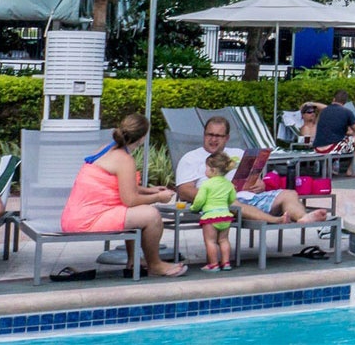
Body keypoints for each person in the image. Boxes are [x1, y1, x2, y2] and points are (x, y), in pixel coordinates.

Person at [59, 114, 187, 277]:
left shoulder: (107, 148)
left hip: (76, 216)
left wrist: (149, 191)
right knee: (151, 216)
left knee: (137, 211)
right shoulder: (124, 159)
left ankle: (134, 261)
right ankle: (155, 264)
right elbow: (130, 200)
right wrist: (158, 198)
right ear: (142, 138)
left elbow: (114, 185)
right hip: (88, 221)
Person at [174, 117, 327, 224]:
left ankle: (303, 217)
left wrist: (260, 185)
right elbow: (184, 191)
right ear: (204, 134)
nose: (213, 139)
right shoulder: (191, 158)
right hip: (218, 204)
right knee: (230, 201)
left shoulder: (238, 153)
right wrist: (216, 194)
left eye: (218, 136)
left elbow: (256, 180)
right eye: (210, 135)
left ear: (226, 138)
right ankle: (274, 220)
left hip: (250, 198)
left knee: (289, 194)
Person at [190, 152, 237, 271]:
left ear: (213, 170)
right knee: (224, 240)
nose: (205, 171)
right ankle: (226, 263)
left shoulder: (206, 184)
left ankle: (214, 264)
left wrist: (194, 208)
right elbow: (232, 199)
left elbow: (199, 200)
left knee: (210, 242)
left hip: (211, 217)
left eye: (206, 168)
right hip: (225, 216)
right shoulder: (229, 184)